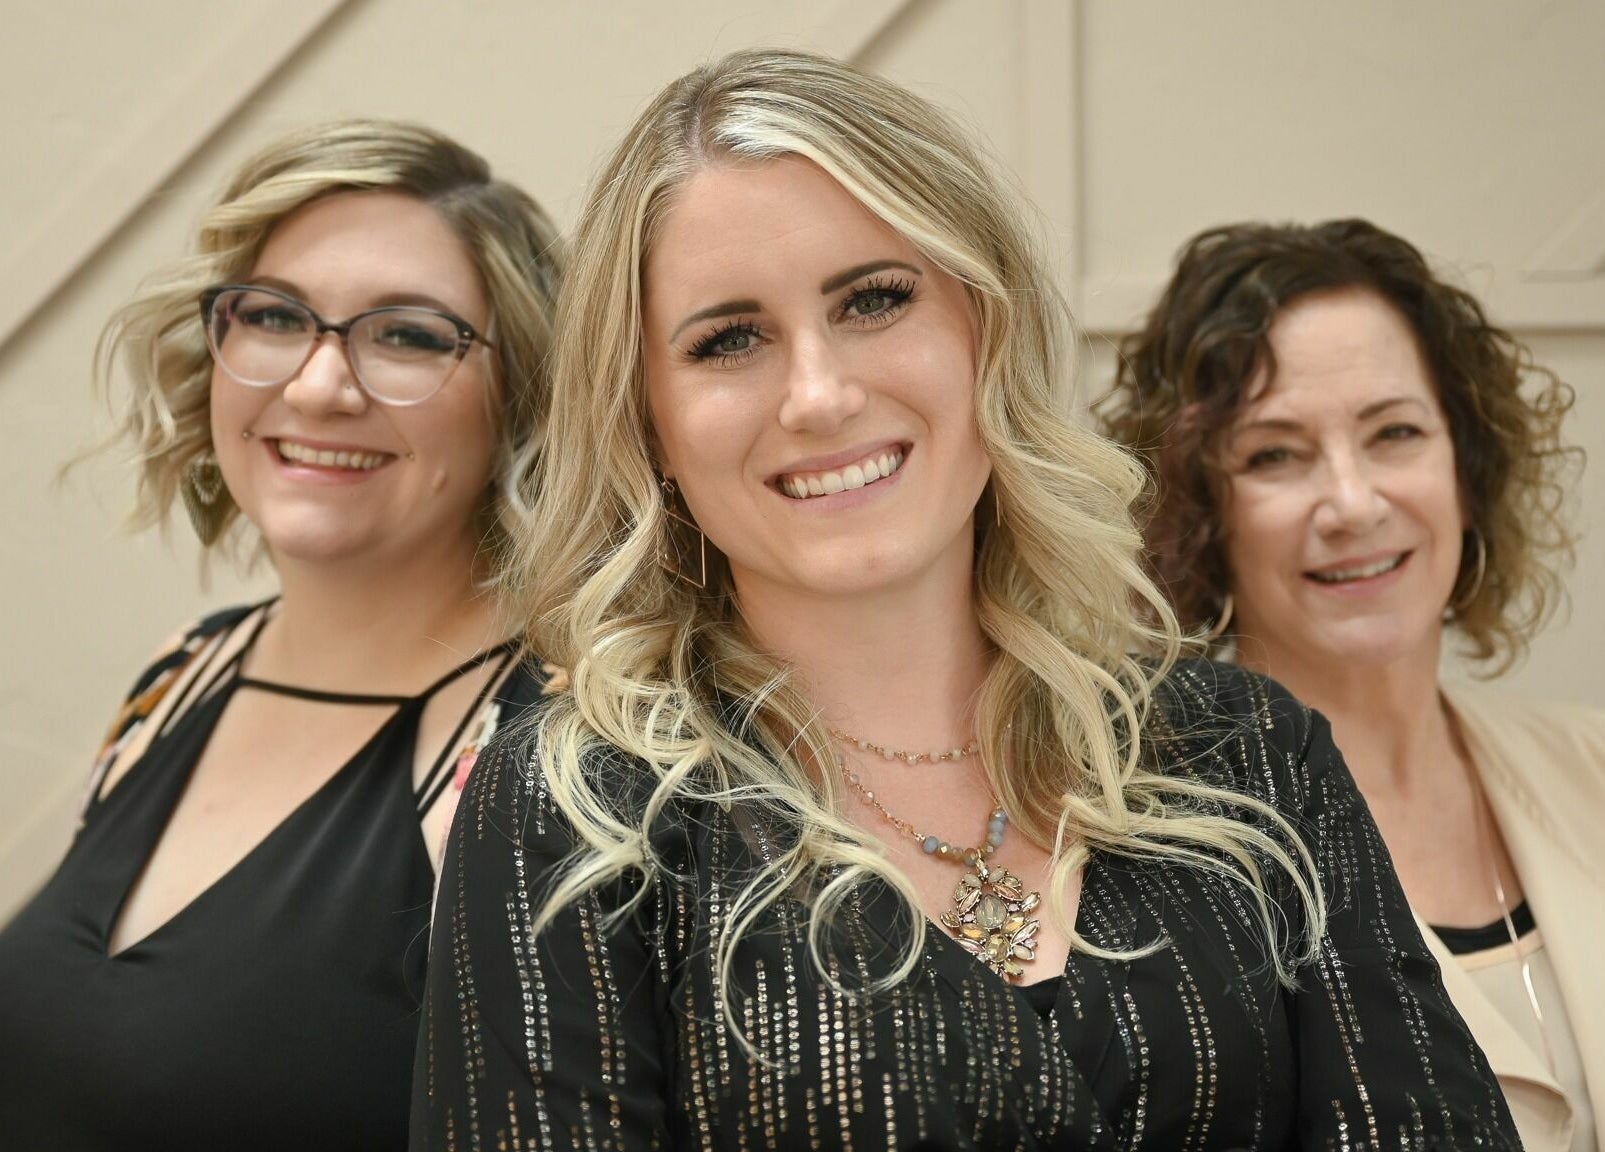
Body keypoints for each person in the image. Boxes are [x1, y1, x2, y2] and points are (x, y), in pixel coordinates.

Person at [413, 53, 1519, 1150]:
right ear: (648, 419)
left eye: (876, 300)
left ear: (985, 329)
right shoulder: (581, 812)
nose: (821, 394)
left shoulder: (1250, 757)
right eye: (729, 339)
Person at [0, 120, 564, 1151]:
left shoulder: (535, 766)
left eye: (409, 335)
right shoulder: (181, 673)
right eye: (273, 316)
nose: (316, 386)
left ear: (520, 399)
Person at [1098, 218, 1601, 1152]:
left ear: (1466, 460)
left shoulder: (1592, 763)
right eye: (1274, 455)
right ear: (1199, 511)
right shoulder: (1144, 846)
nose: (1355, 503)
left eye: (1394, 433)